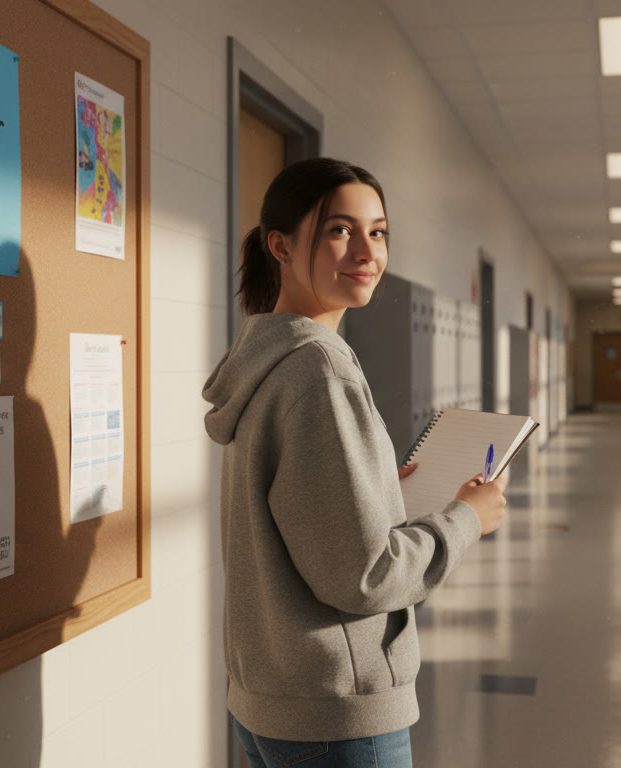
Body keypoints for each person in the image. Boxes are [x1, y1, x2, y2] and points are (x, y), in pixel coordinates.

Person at [202, 158, 508, 768]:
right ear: (280, 246)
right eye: (340, 230)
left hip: (268, 700)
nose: (366, 251)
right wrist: (466, 518)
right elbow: (365, 577)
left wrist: (374, 494)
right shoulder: (320, 370)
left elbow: (294, 519)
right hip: (337, 715)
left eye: (379, 231)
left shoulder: (263, 360)